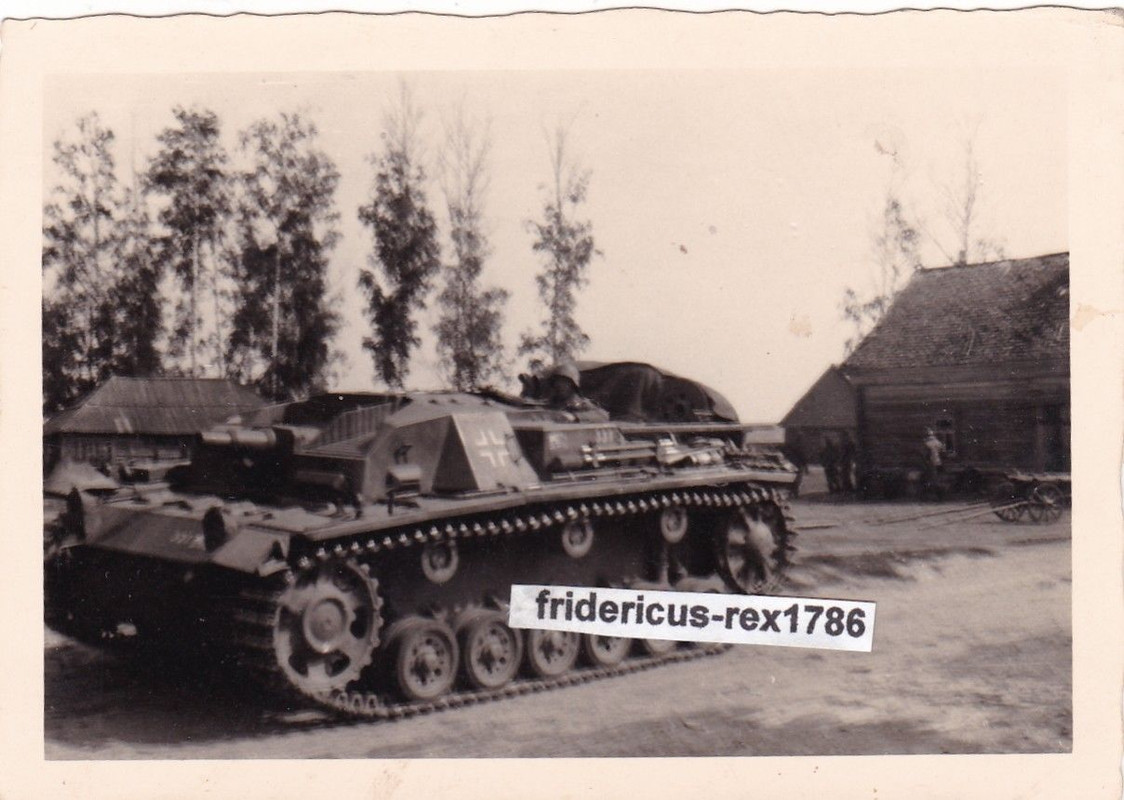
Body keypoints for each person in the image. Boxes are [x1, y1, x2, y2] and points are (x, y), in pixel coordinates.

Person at [542, 362, 609, 422]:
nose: (558, 385)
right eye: (556, 382)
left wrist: (575, 417)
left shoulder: (579, 403)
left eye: (564, 382)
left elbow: (603, 416)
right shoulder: (552, 403)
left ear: (573, 385)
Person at [923, 428, 946, 500]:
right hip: (939, 462)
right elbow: (943, 452)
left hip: (931, 463)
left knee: (931, 479)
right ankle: (940, 495)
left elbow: (926, 454)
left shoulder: (926, 443)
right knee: (939, 479)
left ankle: (933, 495)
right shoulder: (938, 443)